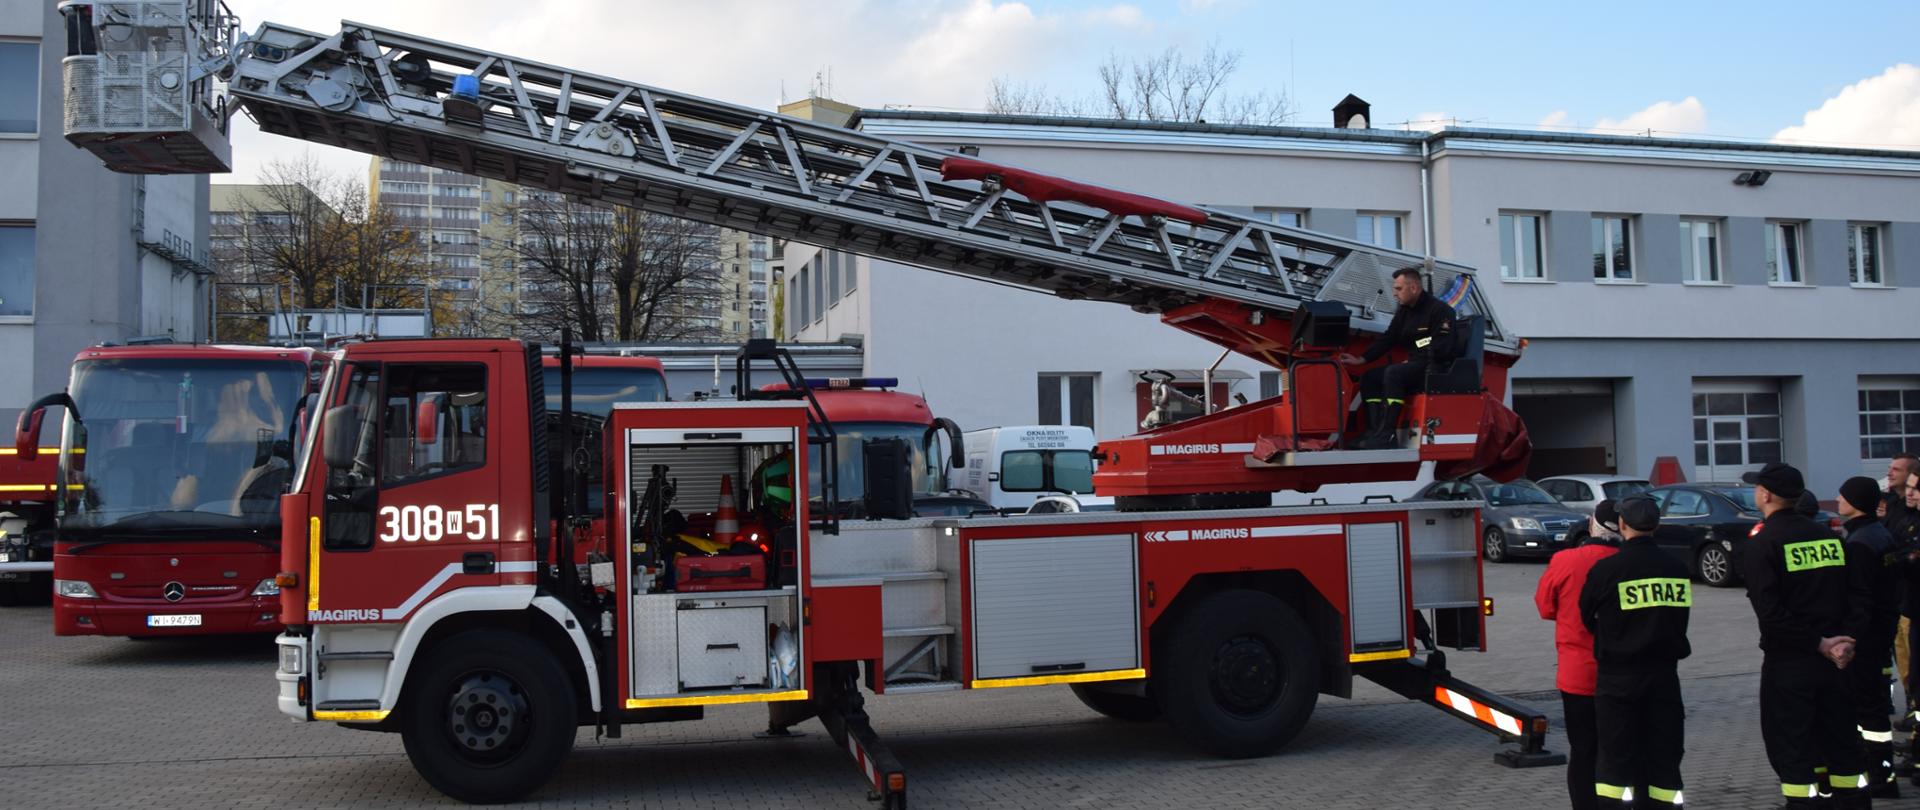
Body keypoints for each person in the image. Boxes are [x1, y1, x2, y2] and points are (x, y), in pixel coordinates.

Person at [1741, 462, 1872, 808]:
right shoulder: (1829, 538)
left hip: (1792, 664)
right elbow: (1858, 595)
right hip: (1838, 665)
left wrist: (1819, 644)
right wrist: (1846, 640)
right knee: (1843, 746)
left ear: (1766, 494)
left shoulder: (1763, 542)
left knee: (1793, 750)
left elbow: (1771, 615)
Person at [1580, 496, 1692, 809]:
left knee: (1615, 759)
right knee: (1664, 759)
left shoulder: (1607, 570)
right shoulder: (1677, 568)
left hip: (1618, 679)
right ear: (1656, 525)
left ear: (1622, 525)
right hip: (1664, 677)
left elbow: (1585, 615)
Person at [1535, 500, 1627, 810]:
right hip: (1624, 672)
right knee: (1619, 749)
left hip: (1578, 675)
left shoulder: (1565, 560)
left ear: (1592, 525)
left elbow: (1546, 608)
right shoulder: (1630, 561)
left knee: (1583, 750)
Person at [1337, 266, 1456, 449]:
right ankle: (1373, 431)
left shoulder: (1440, 310)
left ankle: (1387, 435)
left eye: (1398, 289)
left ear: (1414, 287)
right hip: (1415, 363)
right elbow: (1389, 337)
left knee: (1394, 373)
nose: (1394, 294)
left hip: (1434, 365)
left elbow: (1440, 343)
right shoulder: (1405, 310)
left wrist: (1418, 348)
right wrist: (1362, 359)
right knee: (1370, 377)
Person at [1840, 476, 1904, 797]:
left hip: (1865, 641)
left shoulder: (1860, 543)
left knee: (1866, 707)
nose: (1838, 500)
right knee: (1875, 704)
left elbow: (1860, 597)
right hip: (1881, 634)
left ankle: (1877, 774)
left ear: (1854, 502)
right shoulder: (1881, 535)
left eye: (1843, 496)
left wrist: (1849, 638)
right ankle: (1883, 773)